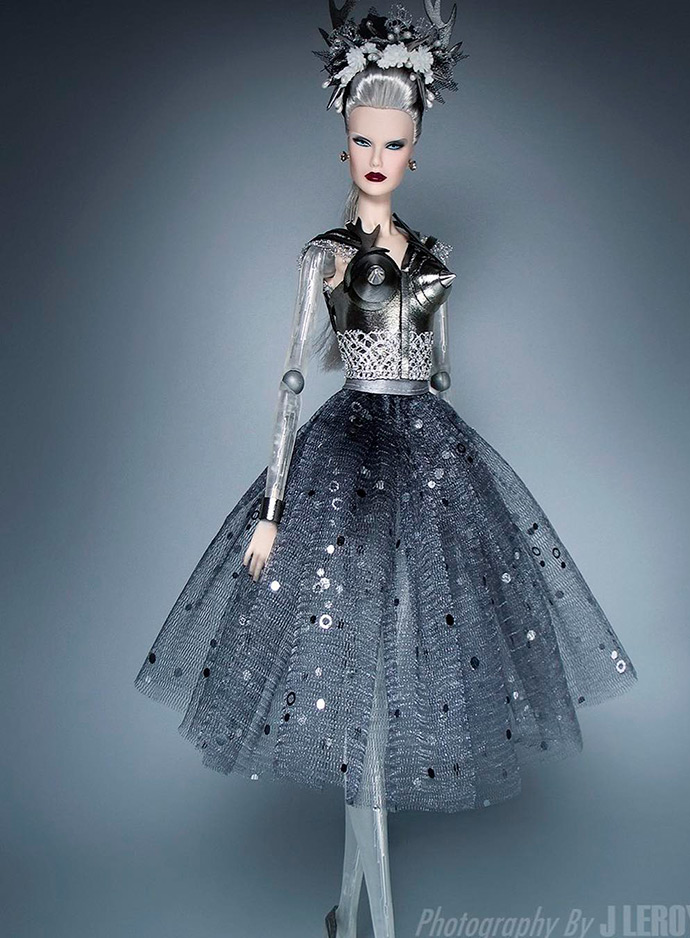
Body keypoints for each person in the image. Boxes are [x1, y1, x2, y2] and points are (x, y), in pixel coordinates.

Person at [134, 3, 638, 936]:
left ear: (414, 152)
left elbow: (439, 371)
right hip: (345, 459)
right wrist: (273, 510)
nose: (376, 156)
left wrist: (439, 422)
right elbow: (293, 378)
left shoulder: (438, 255)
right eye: (363, 140)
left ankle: (348, 915)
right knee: (361, 707)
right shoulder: (324, 258)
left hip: (428, 458)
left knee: (384, 693)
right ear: (343, 146)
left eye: (393, 143)